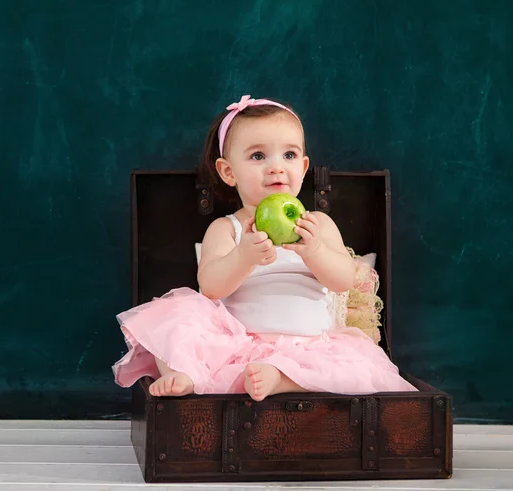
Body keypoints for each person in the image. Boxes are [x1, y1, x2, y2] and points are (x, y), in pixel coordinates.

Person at [112, 94, 417, 400]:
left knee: (351, 368)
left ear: (304, 165)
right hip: (239, 346)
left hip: (311, 346)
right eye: (258, 156)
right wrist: (244, 256)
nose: (276, 168)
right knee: (174, 315)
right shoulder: (226, 228)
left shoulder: (319, 225)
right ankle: (186, 372)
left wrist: (314, 252)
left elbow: (343, 280)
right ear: (228, 172)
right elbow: (210, 287)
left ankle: (283, 378)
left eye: (289, 155)